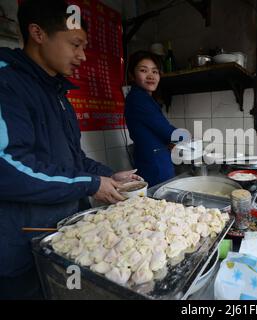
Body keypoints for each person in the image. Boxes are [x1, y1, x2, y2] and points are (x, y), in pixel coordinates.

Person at [0, 0, 141, 299]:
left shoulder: (58, 94)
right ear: (38, 33)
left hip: (61, 235)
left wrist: (109, 175)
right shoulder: (6, 82)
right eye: (76, 44)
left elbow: (73, 160)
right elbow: (8, 166)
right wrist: (91, 184)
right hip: (19, 244)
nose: (82, 55)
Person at [124, 51, 181, 187]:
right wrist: (186, 137)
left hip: (154, 160)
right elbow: (167, 131)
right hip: (155, 166)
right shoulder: (139, 99)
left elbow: (155, 131)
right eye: (143, 70)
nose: (151, 76)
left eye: (155, 72)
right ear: (132, 75)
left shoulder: (145, 98)